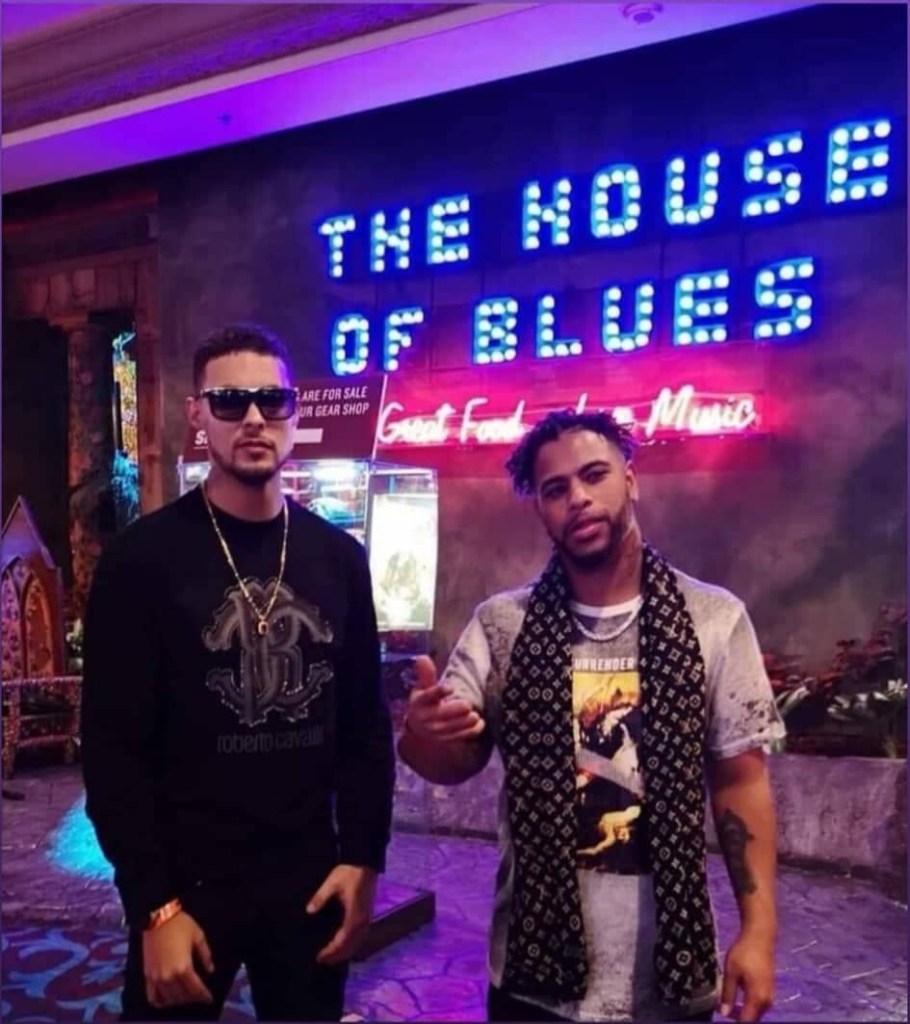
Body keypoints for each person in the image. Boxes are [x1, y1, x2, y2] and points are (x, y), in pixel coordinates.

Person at [399, 409, 784, 1024]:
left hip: (671, 976)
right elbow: (449, 762)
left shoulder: (714, 618)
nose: (577, 498)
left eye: (594, 475)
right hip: (532, 980)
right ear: (540, 509)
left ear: (630, 480)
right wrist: (420, 735)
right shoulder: (503, 626)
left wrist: (758, 933)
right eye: (555, 489)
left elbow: (740, 781)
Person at [81, 323, 394, 1022]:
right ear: (197, 415)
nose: (254, 418)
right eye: (229, 401)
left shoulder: (338, 557)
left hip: (311, 876)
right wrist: (153, 904)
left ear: (294, 411)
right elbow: (111, 752)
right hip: (188, 882)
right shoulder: (141, 562)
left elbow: (365, 728)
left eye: (272, 400)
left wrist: (365, 859)